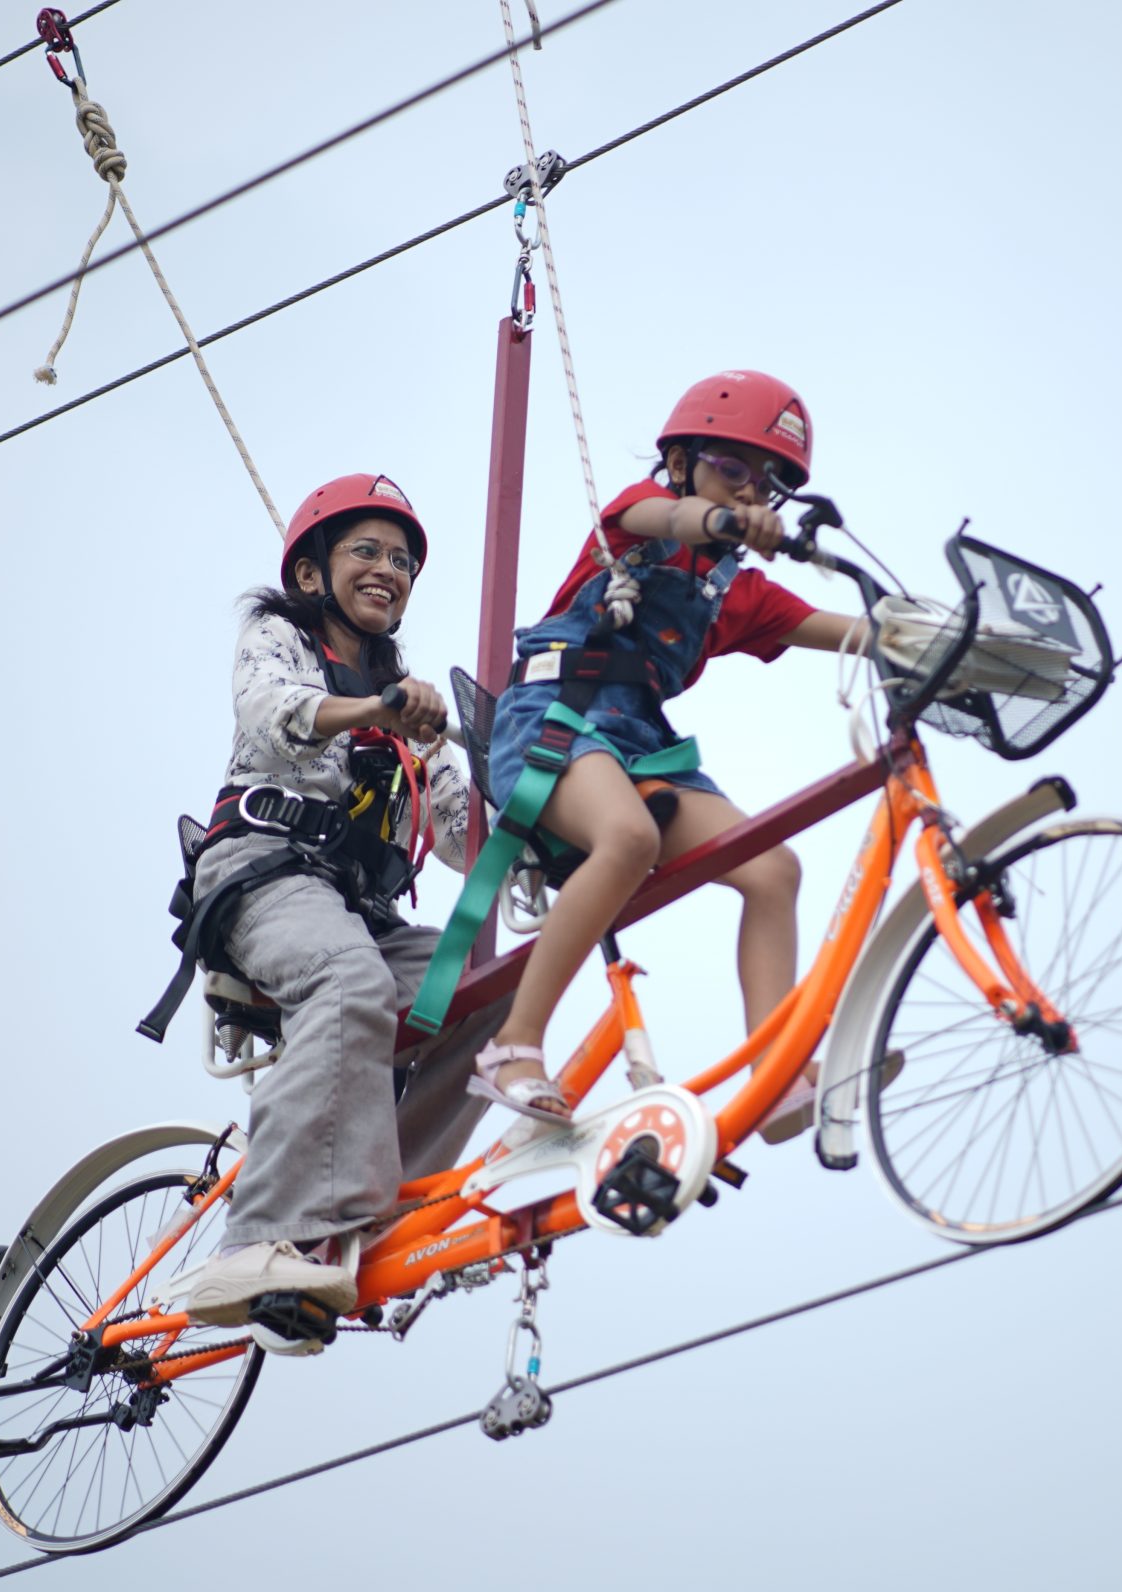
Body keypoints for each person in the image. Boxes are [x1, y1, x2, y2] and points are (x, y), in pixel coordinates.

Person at [469, 371, 865, 1131]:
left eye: (769, 485)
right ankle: (514, 1046)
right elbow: (675, 517)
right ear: (682, 462)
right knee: (628, 837)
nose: (751, 495)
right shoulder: (637, 519)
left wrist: (938, 639)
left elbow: (845, 629)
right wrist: (717, 516)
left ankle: (775, 1066)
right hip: (552, 719)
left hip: (638, 745)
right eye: (732, 470)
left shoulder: (739, 596)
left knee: (772, 866)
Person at [184, 474, 477, 1346]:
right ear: (314, 573)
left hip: (357, 907)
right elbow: (273, 716)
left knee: (492, 984)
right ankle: (262, 1231)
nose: (388, 569)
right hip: (263, 876)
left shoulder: (412, 701)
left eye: (401, 560)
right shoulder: (281, 638)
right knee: (347, 980)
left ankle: (374, 1210)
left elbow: (463, 828)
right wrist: (378, 709)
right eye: (367, 551)